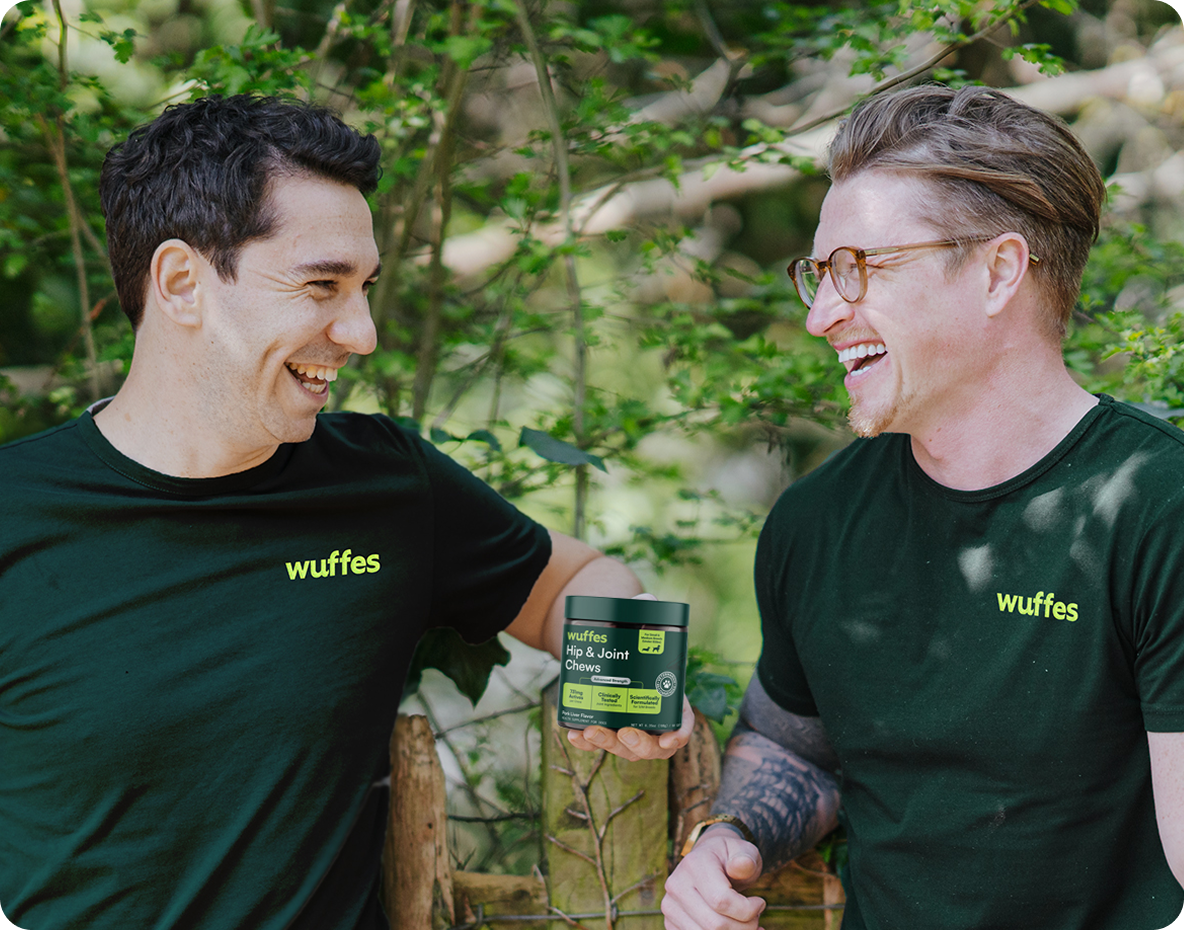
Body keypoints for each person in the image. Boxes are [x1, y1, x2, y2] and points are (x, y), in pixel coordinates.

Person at [0, 94, 690, 930]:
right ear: (183, 283)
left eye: (363, 288)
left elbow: (573, 580)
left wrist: (626, 685)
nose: (361, 333)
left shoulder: (386, 485)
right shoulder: (16, 515)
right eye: (321, 285)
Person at [663, 84, 1184, 930]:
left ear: (998, 272)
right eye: (819, 275)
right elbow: (795, 743)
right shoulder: (817, 520)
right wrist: (732, 835)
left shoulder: (1158, 509)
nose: (822, 316)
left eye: (859, 268)